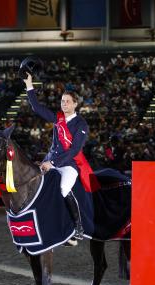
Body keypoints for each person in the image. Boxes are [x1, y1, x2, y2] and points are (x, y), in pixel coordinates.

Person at [23, 73, 93, 240]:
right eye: (62, 101)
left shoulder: (81, 124)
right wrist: (29, 85)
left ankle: (78, 227)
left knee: (62, 190)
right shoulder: (57, 118)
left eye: (68, 101)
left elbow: (74, 150)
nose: (64, 104)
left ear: (75, 104)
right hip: (50, 160)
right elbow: (36, 108)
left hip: (69, 164)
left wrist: (52, 163)